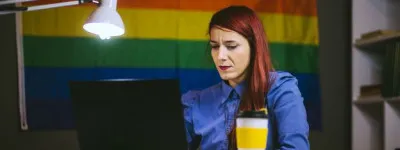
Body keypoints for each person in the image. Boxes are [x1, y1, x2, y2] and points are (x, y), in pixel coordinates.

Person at [181, 5, 310, 150]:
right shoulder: (195, 103)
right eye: (215, 46)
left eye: (231, 46)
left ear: (254, 47)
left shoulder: (280, 89)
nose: (220, 56)